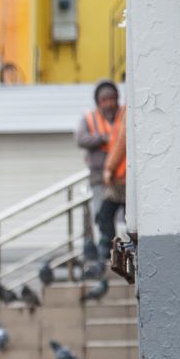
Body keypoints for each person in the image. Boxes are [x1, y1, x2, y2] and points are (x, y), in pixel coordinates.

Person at [76, 80, 123, 267]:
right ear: (98, 102)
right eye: (105, 100)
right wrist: (103, 139)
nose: (109, 103)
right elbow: (80, 138)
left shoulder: (123, 116)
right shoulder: (89, 118)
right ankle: (105, 254)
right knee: (101, 214)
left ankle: (123, 253)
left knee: (123, 218)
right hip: (99, 176)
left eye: (112, 99)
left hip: (121, 178)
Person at [99, 104, 128, 255]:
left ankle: (112, 252)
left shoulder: (127, 110)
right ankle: (116, 250)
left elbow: (121, 141)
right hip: (124, 175)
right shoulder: (125, 109)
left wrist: (109, 167)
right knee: (125, 217)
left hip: (122, 176)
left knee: (105, 214)